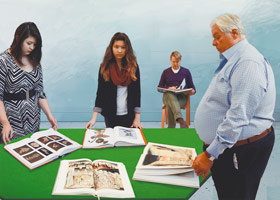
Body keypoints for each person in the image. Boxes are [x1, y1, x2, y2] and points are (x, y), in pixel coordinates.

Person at [192, 14, 276, 200]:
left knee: (237, 195)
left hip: (241, 149)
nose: (213, 43)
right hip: (230, 148)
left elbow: (238, 116)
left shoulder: (248, 63)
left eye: (217, 36)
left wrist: (209, 155)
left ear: (235, 33)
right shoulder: (235, 60)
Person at [0, 22, 57, 145]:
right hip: (11, 117)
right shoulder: (3, 61)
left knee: (32, 152)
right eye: (29, 43)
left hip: (33, 116)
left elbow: (40, 92)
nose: (31, 48)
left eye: (35, 45)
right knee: (13, 152)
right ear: (18, 38)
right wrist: (5, 123)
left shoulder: (34, 60)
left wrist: (49, 115)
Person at [86, 32, 143, 129]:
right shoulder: (105, 67)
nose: (119, 50)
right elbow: (100, 93)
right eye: (116, 47)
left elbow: (137, 93)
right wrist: (93, 119)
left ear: (127, 49)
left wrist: (137, 118)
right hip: (110, 115)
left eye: (123, 47)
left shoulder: (133, 67)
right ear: (111, 48)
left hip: (129, 116)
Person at [158, 51, 196, 128]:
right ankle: (180, 119)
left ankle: (171, 127)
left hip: (181, 98)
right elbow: (160, 87)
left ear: (180, 61)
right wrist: (169, 88)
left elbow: (193, 88)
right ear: (170, 61)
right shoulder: (165, 72)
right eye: (173, 62)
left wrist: (192, 91)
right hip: (168, 96)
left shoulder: (186, 72)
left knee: (170, 104)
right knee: (169, 94)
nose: (175, 64)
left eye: (177, 62)